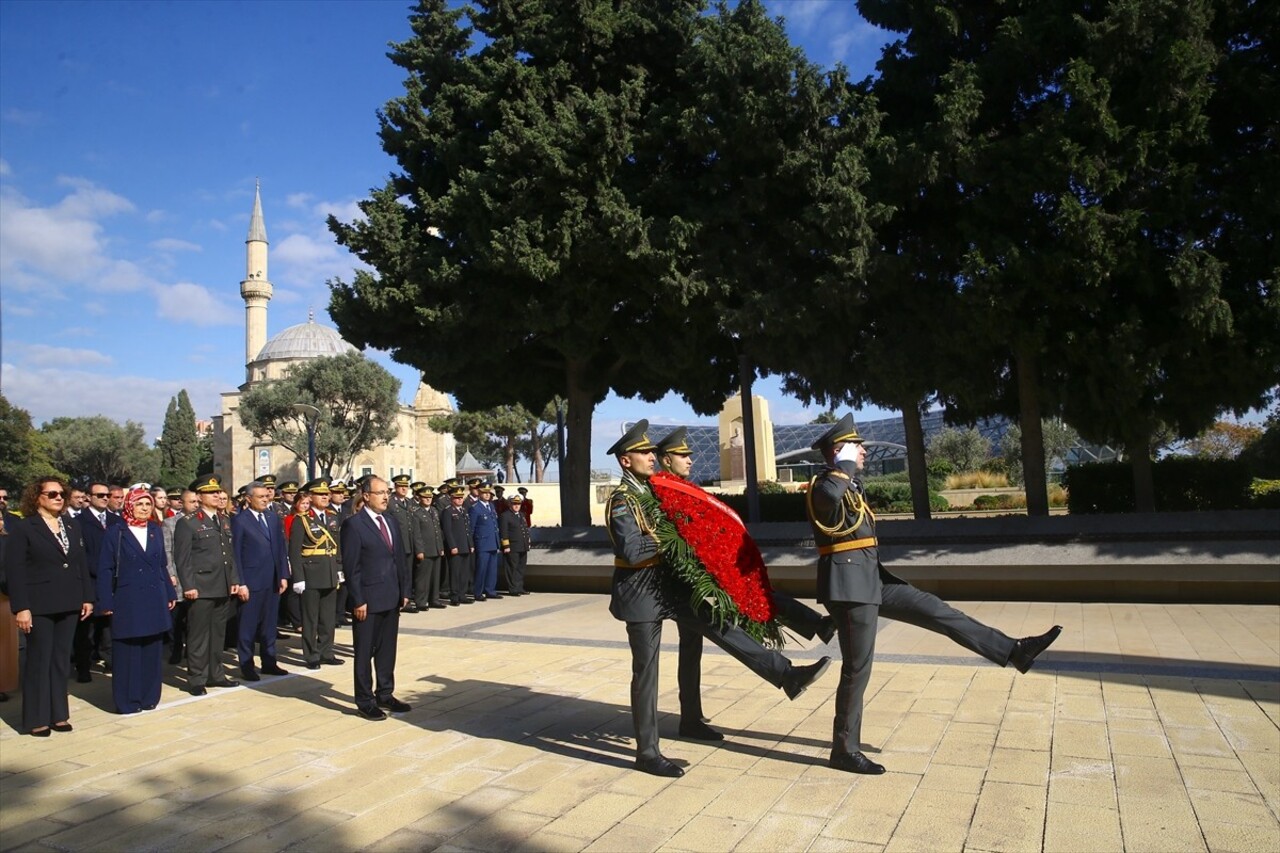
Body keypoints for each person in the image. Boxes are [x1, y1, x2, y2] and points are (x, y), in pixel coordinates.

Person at [807, 414, 1063, 775]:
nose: (862, 451)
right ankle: (844, 749)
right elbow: (829, 500)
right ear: (839, 450)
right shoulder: (824, 484)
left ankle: (1012, 651)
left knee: (937, 611)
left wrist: (846, 467)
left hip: (871, 579)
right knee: (858, 668)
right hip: (848, 587)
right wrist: (844, 464)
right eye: (856, 446)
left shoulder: (849, 484)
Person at [607, 421, 830, 777]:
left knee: (720, 623)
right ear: (625, 461)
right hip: (640, 591)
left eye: (652, 452)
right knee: (646, 671)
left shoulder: (655, 490)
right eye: (644, 453)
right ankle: (647, 753)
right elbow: (632, 550)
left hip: (670, 585)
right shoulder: (623, 499)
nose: (652, 457)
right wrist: (677, 540)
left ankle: (784, 676)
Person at [656, 428, 834, 645]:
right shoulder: (663, 489)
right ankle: (813, 629)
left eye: (689, 456)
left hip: (711, 561)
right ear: (666, 460)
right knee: (752, 596)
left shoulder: (683, 488)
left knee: (693, 642)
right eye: (683, 456)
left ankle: (817, 625)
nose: (690, 461)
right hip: (697, 569)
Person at [3, 478, 95, 736]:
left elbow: (80, 564)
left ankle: (58, 714)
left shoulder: (71, 525)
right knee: (39, 660)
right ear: (37, 497)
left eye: (62, 494)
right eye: (52, 493)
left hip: (68, 601)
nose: (58, 498)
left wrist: (87, 597)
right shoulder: (24, 528)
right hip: (39, 604)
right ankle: (36, 718)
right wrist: (21, 607)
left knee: (60, 660)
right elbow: (15, 571)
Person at [96, 487, 177, 714]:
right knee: (128, 650)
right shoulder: (116, 532)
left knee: (152, 649)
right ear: (130, 505)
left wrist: (170, 593)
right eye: (140, 504)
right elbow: (105, 568)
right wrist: (106, 601)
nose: (144, 508)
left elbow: (162, 564)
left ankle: (149, 696)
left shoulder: (154, 530)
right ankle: (127, 700)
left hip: (154, 597)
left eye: (148, 504)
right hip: (127, 598)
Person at [340, 476, 412, 720]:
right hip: (368, 600)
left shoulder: (391, 522)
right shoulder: (354, 525)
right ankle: (365, 700)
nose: (385, 497)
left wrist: (404, 591)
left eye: (387, 493)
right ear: (366, 495)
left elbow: (399, 559)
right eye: (380, 492)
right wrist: (358, 600)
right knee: (363, 652)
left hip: (391, 597)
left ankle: (385, 693)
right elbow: (352, 568)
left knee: (386, 650)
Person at [173, 476, 241, 696]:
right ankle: (196, 678)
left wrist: (234, 580)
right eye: (211, 492)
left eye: (218, 492)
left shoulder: (224, 520)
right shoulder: (189, 522)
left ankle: (216, 674)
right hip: (201, 586)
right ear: (200, 496)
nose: (217, 495)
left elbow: (229, 554)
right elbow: (182, 558)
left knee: (218, 633)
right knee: (198, 635)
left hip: (221, 585)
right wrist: (188, 585)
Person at [230, 481, 290, 681]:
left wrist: (282, 575)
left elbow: (280, 548)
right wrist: (241, 582)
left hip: (272, 580)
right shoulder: (240, 520)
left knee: (269, 624)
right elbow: (236, 554)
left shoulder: (272, 518)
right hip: (251, 581)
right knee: (247, 626)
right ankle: (246, 664)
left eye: (267, 496)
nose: (266, 499)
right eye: (261, 496)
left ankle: (269, 661)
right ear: (248, 499)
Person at [288, 478, 344, 670]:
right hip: (310, 573)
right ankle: (311, 654)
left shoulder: (332, 517)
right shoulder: (302, 520)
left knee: (328, 617)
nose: (325, 497)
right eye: (321, 494)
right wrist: (298, 578)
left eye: (327, 494)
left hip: (329, 571)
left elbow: (337, 546)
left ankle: (326, 651)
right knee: (311, 617)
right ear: (310, 497)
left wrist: (339, 569)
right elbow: (294, 551)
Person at [73, 480, 121, 682]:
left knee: (109, 626)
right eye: (100, 495)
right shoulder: (78, 522)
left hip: (112, 581)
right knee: (86, 628)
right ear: (89, 497)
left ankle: (111, 661)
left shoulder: (116, 521)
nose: (104, 498)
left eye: (106, 495)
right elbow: (79, 554)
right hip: (89, 580)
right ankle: (83, 667)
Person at [410, 483, 446, 610]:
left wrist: (441, 547)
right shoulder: (416, 512)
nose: (428, 499)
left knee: (435, 577)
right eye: (425, 497)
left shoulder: (434, 511)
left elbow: (438, 531)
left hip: (435, 548)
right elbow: (416, 534)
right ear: (419, 498)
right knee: (423, 578)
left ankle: (434, 599)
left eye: (430, 497)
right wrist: (419, 550)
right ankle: (421, 601)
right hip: (425, 550)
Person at [0, 489, 21, 702]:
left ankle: (4, 684)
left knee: (6, 645)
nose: (2, 501)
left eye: (5, 497)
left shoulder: (12, 529)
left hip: (6, 596)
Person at [440, 485, 473, 605]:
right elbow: (447, 530)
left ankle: (462, 594)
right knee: (455, 573)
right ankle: (454, 596)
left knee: (464, 572)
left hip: (465, 546)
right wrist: (452, 546)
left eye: (461, 497)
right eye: (457, 498)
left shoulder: (464, 510)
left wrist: (471, 544)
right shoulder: (448, 511)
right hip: (455, 548)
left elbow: (467, 529)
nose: (460, 500)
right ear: (451, 498)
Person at [469, 484, 501, 601]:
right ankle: (478, 592)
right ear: (479, 493)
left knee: (492, 569)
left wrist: (498, 542)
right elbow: (471, 528)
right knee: (481, 569)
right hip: (482, 543)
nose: (487, 495)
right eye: (484, 492)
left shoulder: (491, 506)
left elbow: (494, 525)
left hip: (493, 542)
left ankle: (490, 590)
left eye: (489, 493)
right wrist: (471, 544)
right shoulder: (475, 508)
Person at [498, 493, 530, 596]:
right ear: (510, 504)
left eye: (518, 504)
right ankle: (513, 588)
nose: (517, 506)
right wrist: (506, 546)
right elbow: (504, 532)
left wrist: (527, 543)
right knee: (512, 568)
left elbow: (524, 530)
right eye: (514, 504)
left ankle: (519, 587)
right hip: (512, 547)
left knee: (521, 568)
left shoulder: (521, 515)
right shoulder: (505, 515)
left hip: (522, 546)